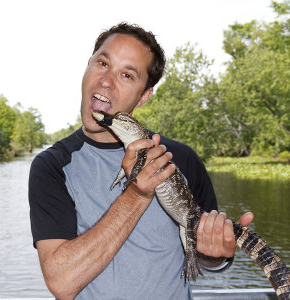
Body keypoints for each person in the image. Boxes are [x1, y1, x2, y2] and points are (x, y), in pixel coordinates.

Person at [29, 22, 254, 300]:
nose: (106, 81)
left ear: (144, 96)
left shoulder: (181, 158)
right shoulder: (51, 167)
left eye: (126, 74)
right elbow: (61, 283)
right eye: (102, 63)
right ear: (87, 67)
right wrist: (137, 193)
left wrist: (214, 253)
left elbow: (206, 257)